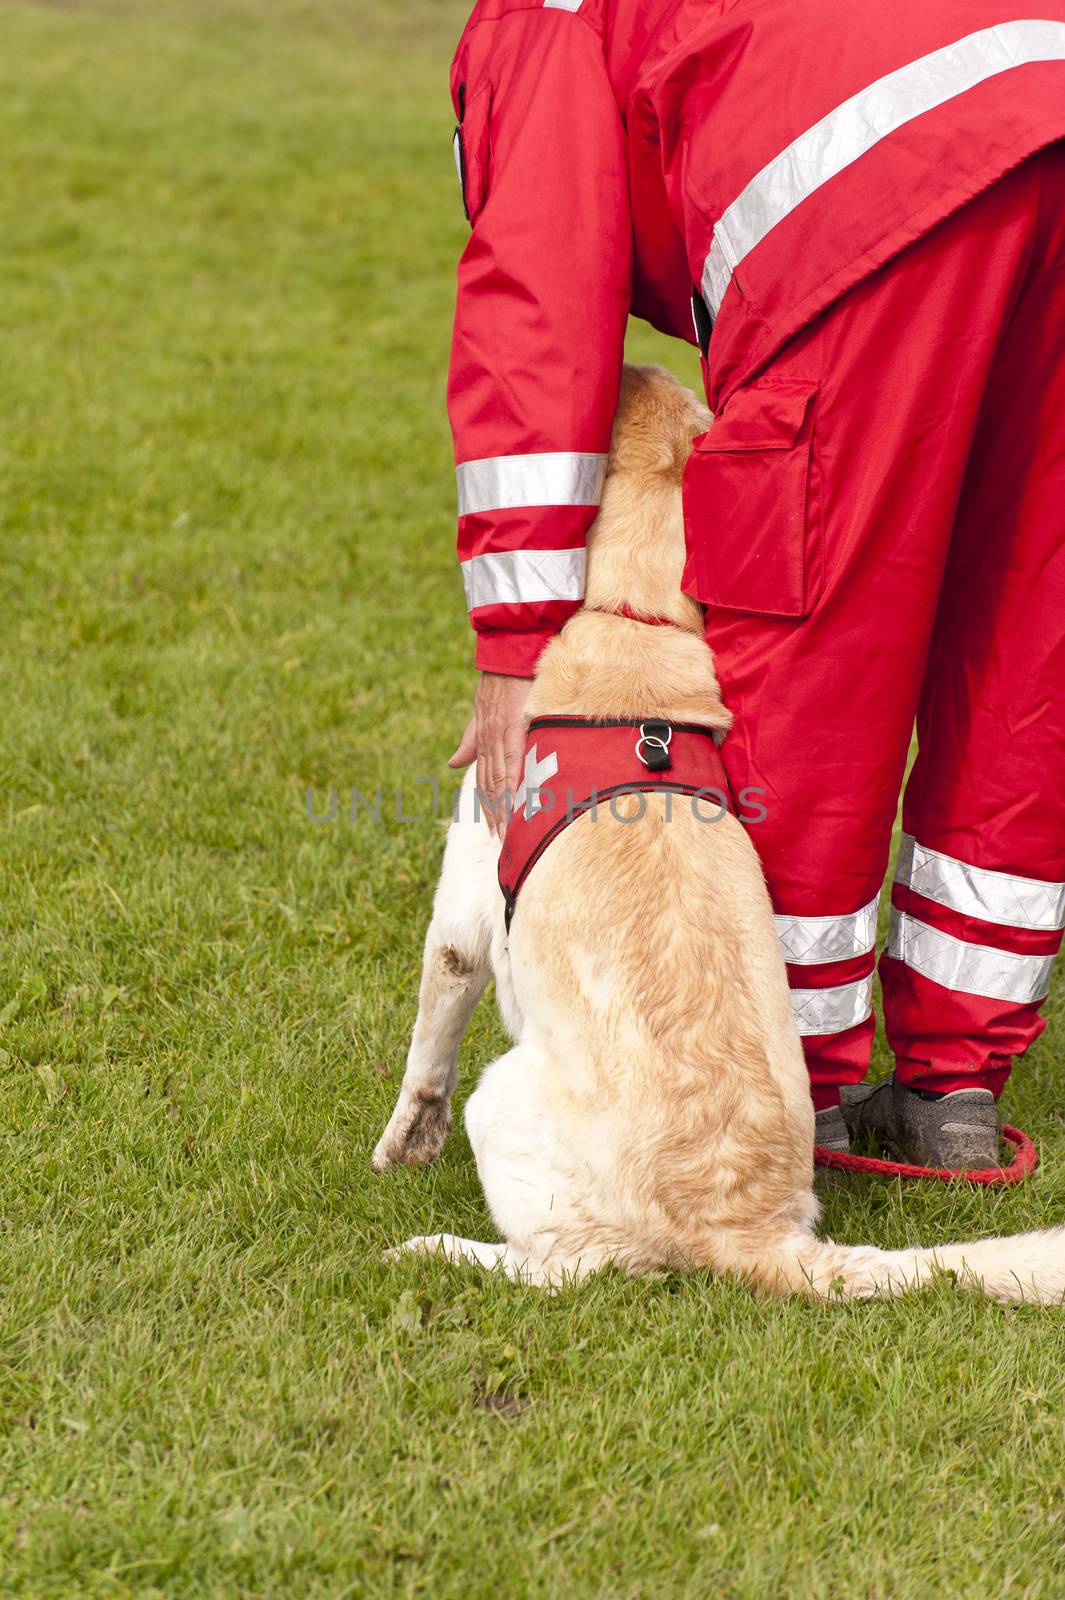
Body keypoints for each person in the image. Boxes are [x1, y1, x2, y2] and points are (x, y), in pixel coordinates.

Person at [444, 0, 1065, 1166]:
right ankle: (954, 1093)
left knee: (817, 641)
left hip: (875, 177)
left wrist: (516, 641)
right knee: (1031, 630)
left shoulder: (533, 21)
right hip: (1041, 83)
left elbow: (539, 306)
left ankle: (790, 1084)